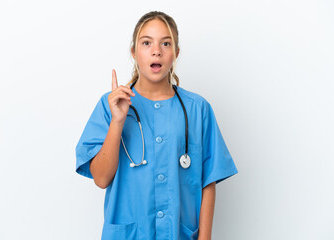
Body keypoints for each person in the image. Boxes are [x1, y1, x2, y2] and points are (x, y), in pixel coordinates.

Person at [75, 11, 238, 240]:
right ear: (133, 52)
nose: (156, 50)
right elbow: (101, 179)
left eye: (166, 43)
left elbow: (208, 182)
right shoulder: (109, 105)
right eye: (146, 42)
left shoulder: (198, 109)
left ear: (176, 53)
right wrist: (118, 121)